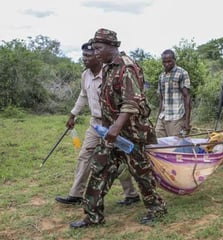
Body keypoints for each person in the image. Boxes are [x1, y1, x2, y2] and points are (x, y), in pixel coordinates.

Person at [70, 28, 166, 228]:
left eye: (99, 48)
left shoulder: (127, 68)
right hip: (111, 134)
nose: (96, 53)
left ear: (113, 46)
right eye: (94, 49)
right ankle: (93, 216)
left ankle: (156, 208)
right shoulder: (107, 68)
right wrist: (107, 129)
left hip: (131, 135)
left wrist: (115, 127)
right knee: (100, 169)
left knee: (142, 174)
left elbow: (132, 103)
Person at [55, 41, 140, 206]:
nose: (84, 59)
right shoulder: (85, 74)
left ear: (97, 56)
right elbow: (83, 95)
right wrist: (73, 114)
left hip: (113, 123)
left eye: (88, 55)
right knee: (85, 155)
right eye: (83, 56)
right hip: (95, 123)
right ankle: (76, 194)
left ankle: (131, 194)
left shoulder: (110, 73)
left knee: (120, 159)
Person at [155, 49, 191, 137]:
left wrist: (187, 122)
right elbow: (161, 98)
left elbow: (187, 98)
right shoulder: (161, 76)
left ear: (174, 60)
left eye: (169, 61)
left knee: (175, 145)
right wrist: (158, 117)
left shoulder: (182, 73)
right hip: (163, 117)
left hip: (176, 117)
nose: (167, 64)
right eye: (164, 62)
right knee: (159, 143)